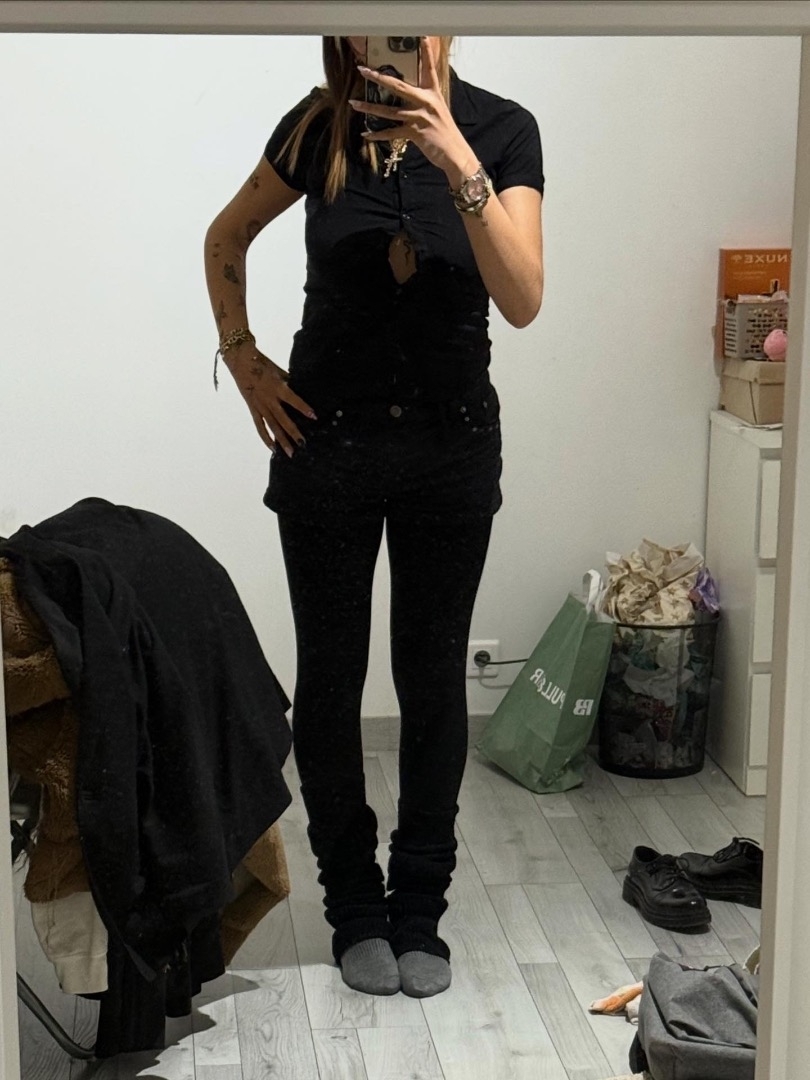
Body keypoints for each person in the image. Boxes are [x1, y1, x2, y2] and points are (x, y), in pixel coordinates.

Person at [204, 35, 544, 999]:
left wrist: (454, 155)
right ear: (345, 29)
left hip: (451, 445)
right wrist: (244, 359)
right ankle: (353, 905)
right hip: (329, 446)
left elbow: (523, 297)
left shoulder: (502, 132)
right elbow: (224, 237)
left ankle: (419, 909)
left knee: (432, 680)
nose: (392, 32)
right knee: (331, 678)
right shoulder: (318, 129)